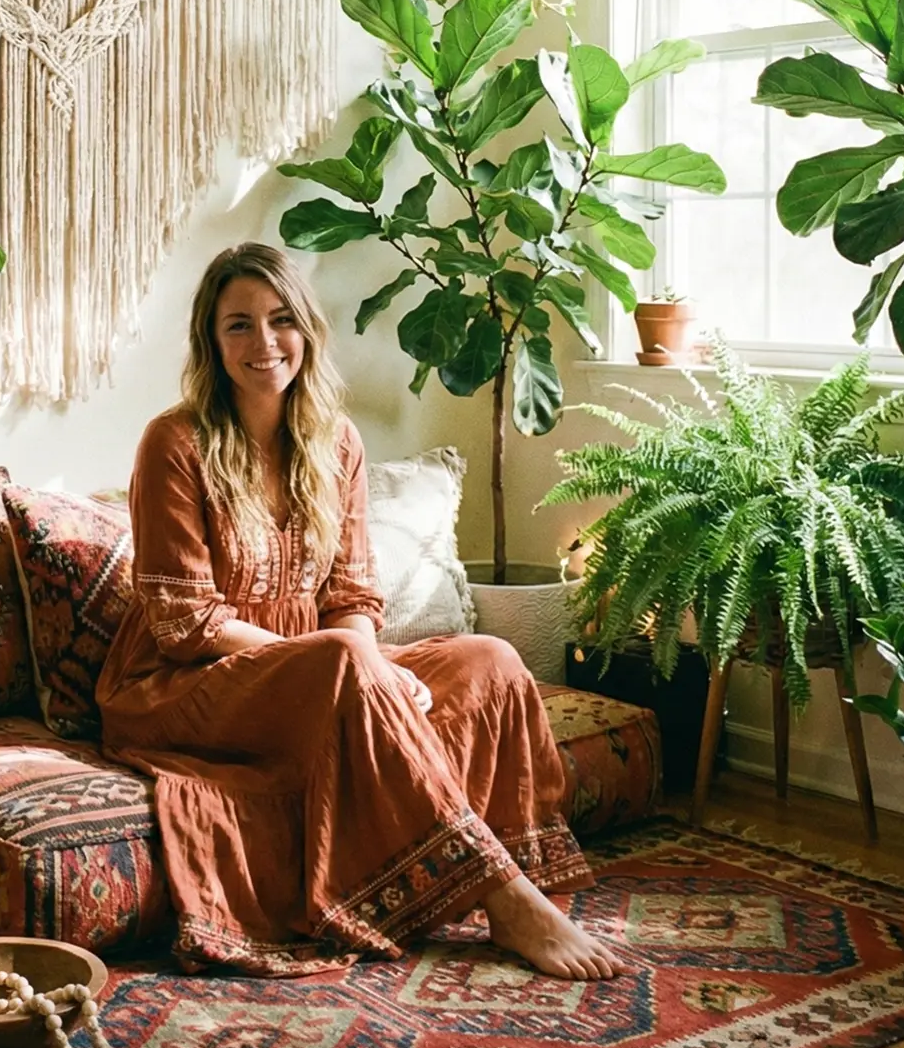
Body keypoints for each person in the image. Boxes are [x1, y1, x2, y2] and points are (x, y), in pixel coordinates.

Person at [97, 242, 622, 980]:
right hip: (183, 686)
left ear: (306, 331)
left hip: (315, 675)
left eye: (281, 319)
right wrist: (344, 667)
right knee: (342, 657)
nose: (263, 342)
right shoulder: (174, 443)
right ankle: (502, 895)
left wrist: (366, 667)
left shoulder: (334, 442)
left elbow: (349, 597)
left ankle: (492, 871)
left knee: (489, 661)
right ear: (210, 343)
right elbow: (187, 622)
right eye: (237, 325)